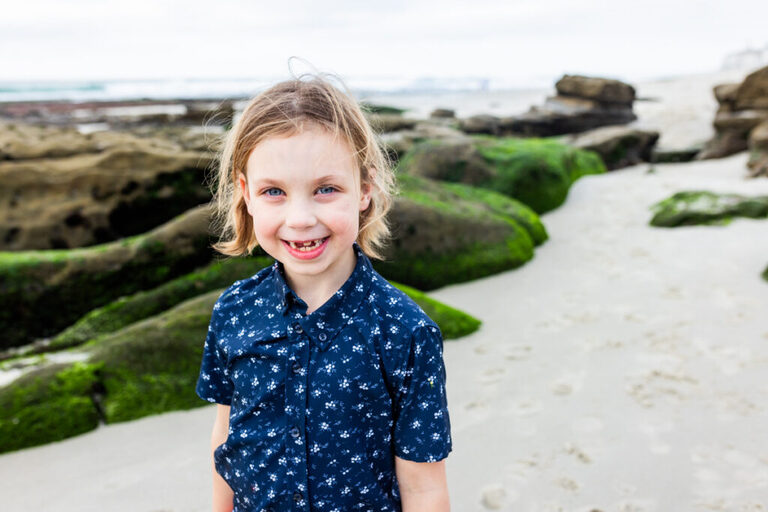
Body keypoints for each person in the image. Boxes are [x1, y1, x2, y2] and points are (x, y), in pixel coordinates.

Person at [195, 72, 452, 512]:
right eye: (274, 191)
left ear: (365, 189)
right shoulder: (234, 311)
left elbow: (424, 487)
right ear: (246, 194)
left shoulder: (405, 332)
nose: (300, 218)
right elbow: (226, 440)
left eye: (326, 189)